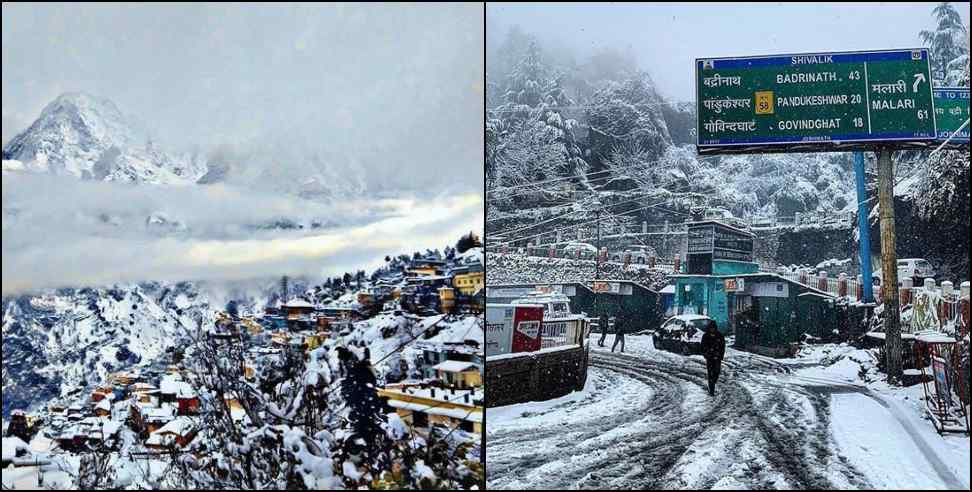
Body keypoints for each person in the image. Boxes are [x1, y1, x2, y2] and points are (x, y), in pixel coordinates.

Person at [700, 320, 726, 396]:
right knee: (710, 374)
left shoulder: (719, 335)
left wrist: (721, 356)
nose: (712, 329)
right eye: (711, 328)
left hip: (717, 358)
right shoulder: (705, 336)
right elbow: (702, 346)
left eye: (713, 328)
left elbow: (722, 346)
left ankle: (713, 382)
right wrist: (706, 354)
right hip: (710, 358)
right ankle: (711, 390)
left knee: (717, 372)